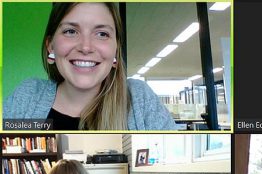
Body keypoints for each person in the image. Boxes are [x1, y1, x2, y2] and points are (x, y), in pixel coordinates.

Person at [3, 2, 176, 130]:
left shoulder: (139, 98)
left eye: (102, 34)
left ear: (116, 51)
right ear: (50, 46)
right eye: (71, 31)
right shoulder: (28, 95)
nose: (86, 47)